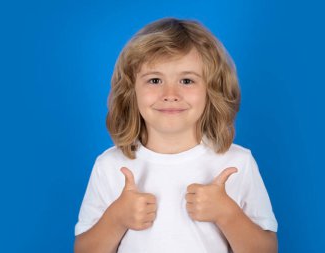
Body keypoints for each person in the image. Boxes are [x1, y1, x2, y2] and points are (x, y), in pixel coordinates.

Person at [74, 17, 278, 253]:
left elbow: (267, 249)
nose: (170, 94)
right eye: (155, 80)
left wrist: (227, 214)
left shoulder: (237, 163)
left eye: (187, 80)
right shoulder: (110, 166)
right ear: (131, 92)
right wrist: (116, 219)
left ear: (211, 90)